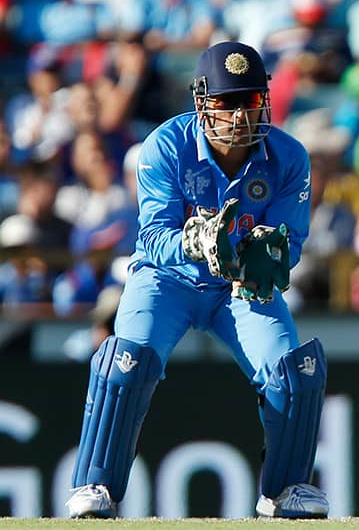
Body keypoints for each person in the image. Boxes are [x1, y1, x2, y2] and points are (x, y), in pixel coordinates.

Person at [64, 42, 328, 519]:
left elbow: (290, 241)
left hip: (240, 286)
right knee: (127, 362)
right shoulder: (166, 146)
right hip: (168, 280)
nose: (239, 116)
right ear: (202, 103)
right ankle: (96, 485)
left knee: (292, 369)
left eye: (249, 101)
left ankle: (285, 489)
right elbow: (152, 235)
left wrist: (271, 252)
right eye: (226, 103)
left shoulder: (288, 157)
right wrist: (196, 241)